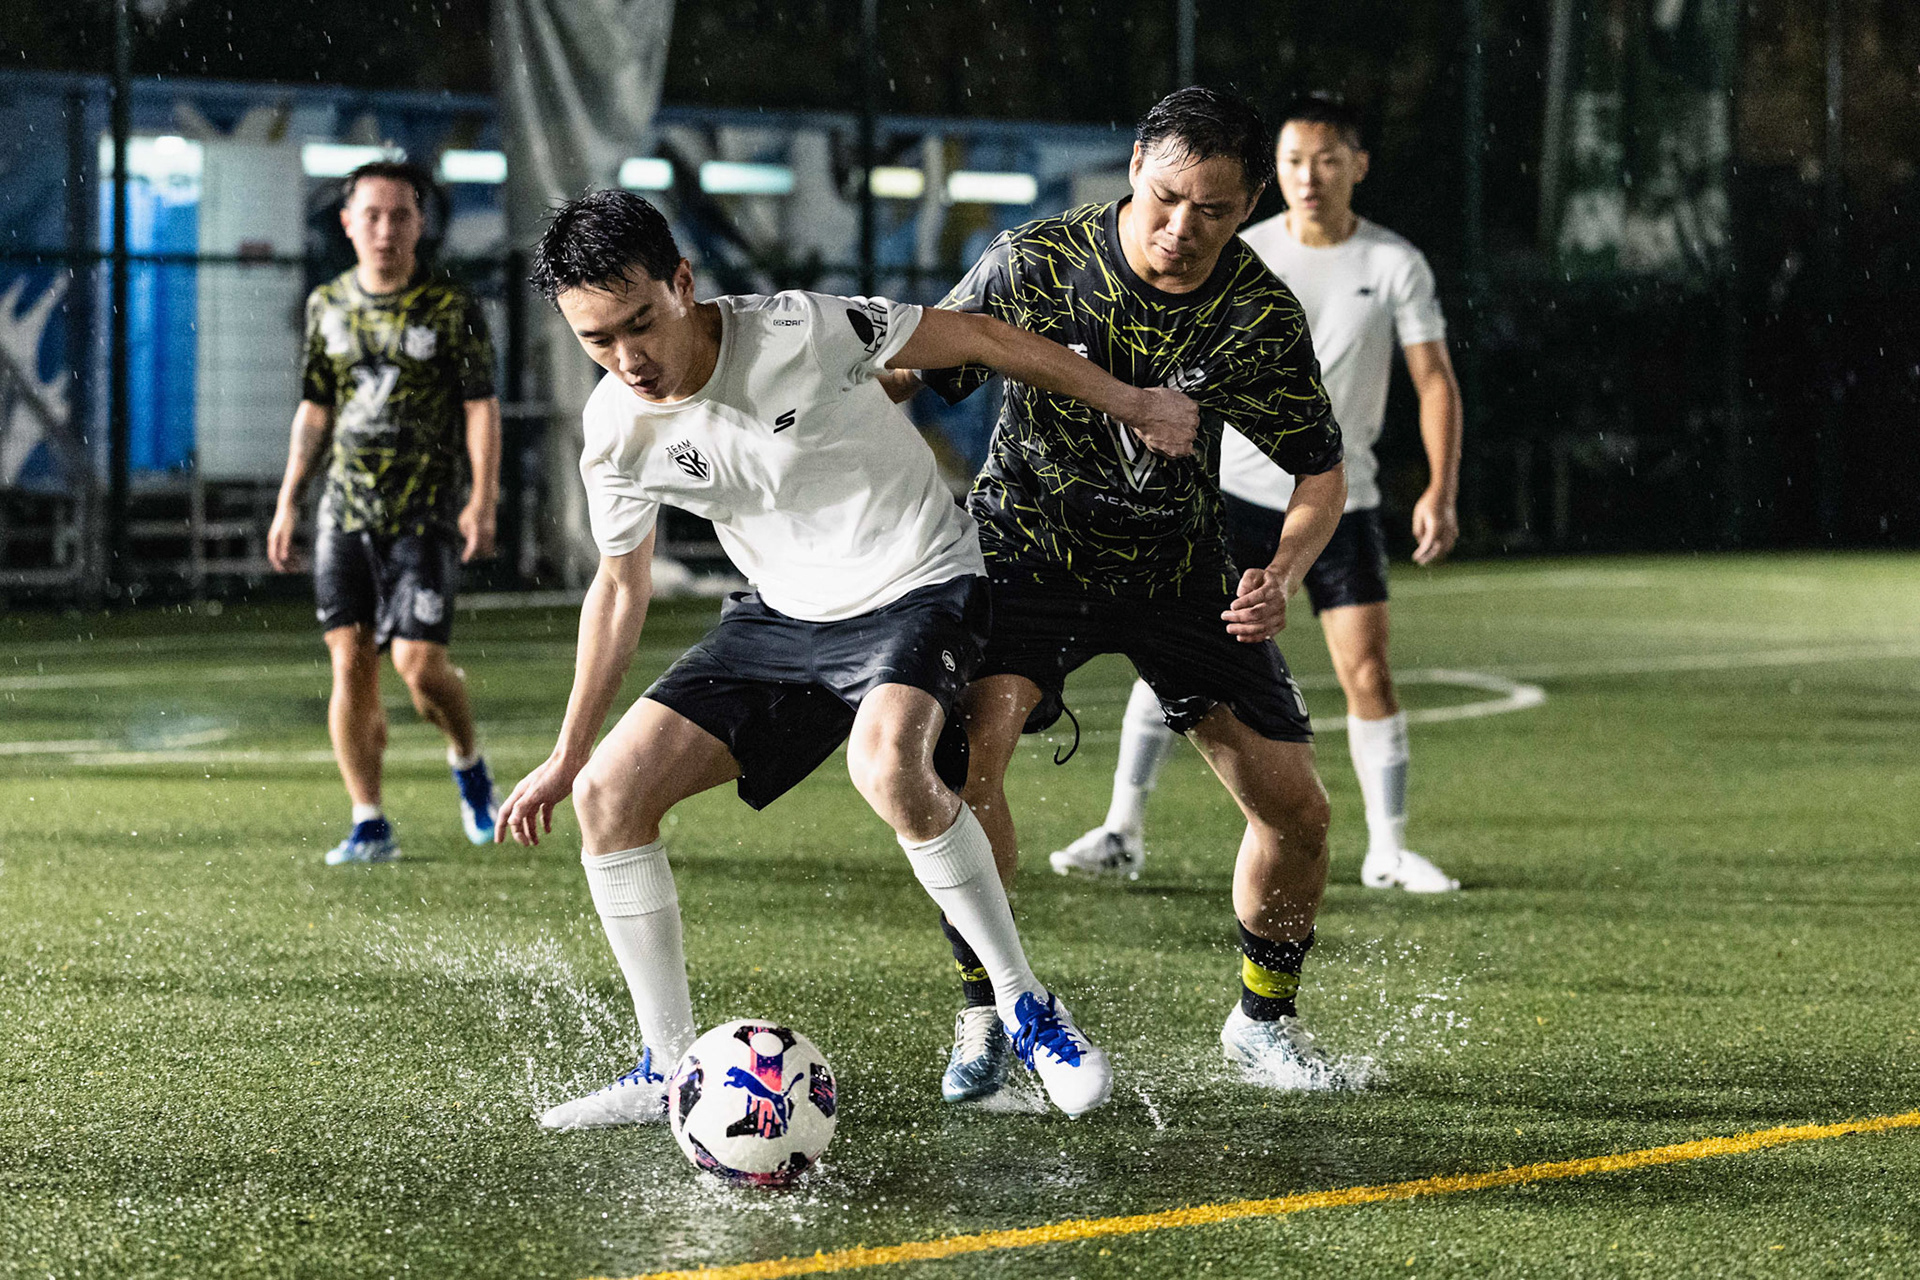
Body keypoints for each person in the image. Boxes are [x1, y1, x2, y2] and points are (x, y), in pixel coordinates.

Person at [498, 190, 1199, 1127]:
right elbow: (620, 588)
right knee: (607, 798)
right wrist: (566, 750)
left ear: (683, 283)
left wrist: (1134, 402)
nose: (629, 359)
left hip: (918, 582)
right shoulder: (617, 430)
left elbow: (982, 338)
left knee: (887, 764)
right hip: (780, 617)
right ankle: (666, 1066)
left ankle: (1027, 1007)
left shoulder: (803, 328)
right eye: (596, 341)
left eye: (641, 324)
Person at [888, 87, 1352, 1102]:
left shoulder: (1259, 312)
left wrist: (1279, 572)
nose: (1183, 230)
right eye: (1165, 198)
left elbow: (1323, 473)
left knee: (1299, 810)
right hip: (1026, 551)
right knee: (966, 762)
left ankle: (1261, 1022)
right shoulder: (1036, 262)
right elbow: (910, 370)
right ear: (1134, 166)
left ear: (1249, 205)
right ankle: (989, 1008)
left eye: (1215, 211)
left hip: (1179, 572)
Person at [1053, 93, 1466, 895]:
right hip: (1230, 498)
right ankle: (1121, 829)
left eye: (1326, 159)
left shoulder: (1393, 264)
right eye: (1292, 161)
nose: (1309, 176)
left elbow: (1434, 379)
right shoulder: (1239, 250)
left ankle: (1387, 848)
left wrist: (1441, 488)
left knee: (1368, 672)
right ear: (1270, 175)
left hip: (1342, 498)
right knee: (1171, 661)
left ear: (1357, 166)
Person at [268, 161, 502, 865]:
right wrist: (289, 499)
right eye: (371, 215)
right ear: (347, 223)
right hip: (345, 511)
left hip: (424, 511)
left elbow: (480, 407)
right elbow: (315, 409)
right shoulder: (327, 305)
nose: (385, 229)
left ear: (420, 224)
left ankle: (468, 760)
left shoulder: (449, 307)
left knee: (420, 667)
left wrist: (481, 499)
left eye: (399, 215)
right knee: (350, 665)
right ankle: (369, 821)